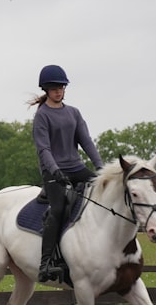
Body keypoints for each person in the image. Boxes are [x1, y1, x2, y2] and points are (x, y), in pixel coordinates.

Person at [30, 64, 104, 282]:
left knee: (106, 193)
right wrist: (55, 170)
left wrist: (100, 168)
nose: (58, 91)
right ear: (46, 89)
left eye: (61, 87)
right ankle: (45, 264)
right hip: (54, 172)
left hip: (76, 167)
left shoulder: (74, 113)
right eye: (54, 88)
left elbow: (86, 142)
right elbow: (44, 149)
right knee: (59, 208)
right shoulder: (42, 116)